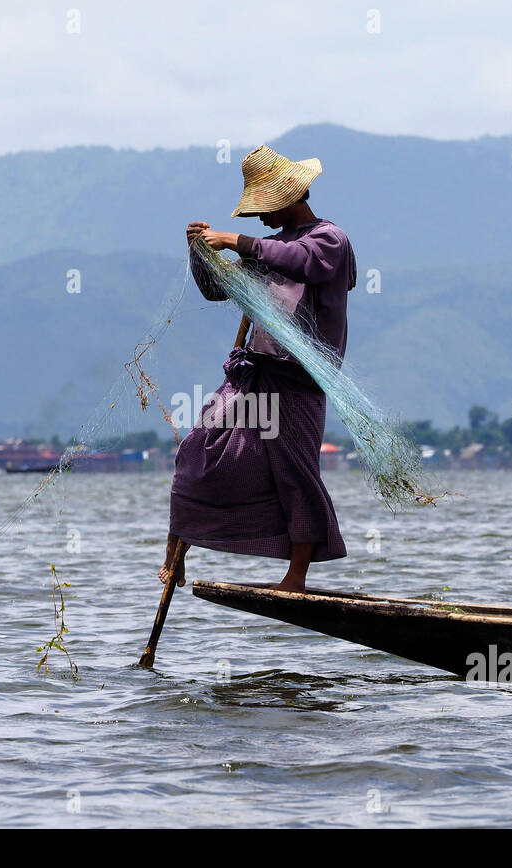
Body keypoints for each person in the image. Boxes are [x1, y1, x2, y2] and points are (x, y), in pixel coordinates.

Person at [158, 145, 357, 593]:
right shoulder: (266, 249)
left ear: (292, 197)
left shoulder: (329, 240)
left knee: (295, 471)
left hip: (299, 380)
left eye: (266, 208)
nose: (260, 219)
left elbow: (302, 263)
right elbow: (216, 290)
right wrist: (200, 252)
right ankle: (176, 554)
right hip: (254, 373)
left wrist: (233, 241)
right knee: (197, 450)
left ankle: (295, 577)